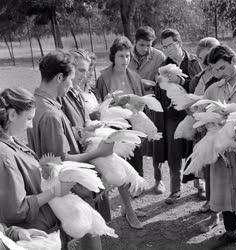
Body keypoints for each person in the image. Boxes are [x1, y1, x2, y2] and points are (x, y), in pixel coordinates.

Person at [31, 50, 116, 248]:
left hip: (53, 190)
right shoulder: (51, 114)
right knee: (89, 234)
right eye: (70, 78)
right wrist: (99, 152)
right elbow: (61, 160)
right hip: (70, 189)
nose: (71, 84)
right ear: (60, 77)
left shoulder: (38, 103)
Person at [0, 87, 74, 248]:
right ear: (12, 115)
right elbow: (16, 209)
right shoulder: (3, 154)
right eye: (28, 119)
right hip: (36, 236)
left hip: (42, 229)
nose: (30, 126)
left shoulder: (10, 140)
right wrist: (55, 191)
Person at [201, 45, 236, 249]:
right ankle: (230, 233)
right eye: (214, 70)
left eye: (222, 68)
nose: (218, 74)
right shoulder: (213, 89)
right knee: (224, 192)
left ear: (234, 61)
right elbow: (198, 113)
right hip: (221, 152)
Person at [95, 37, 146, 228]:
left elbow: (141, 102)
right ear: (113, 57)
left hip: (132, 127)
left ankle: (127, 207)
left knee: (134, 168)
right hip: (113, 129)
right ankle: (130, 212)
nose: (124, 59)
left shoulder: (134, 76)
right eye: (120, 56)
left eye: (127, 55)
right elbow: (99, 107)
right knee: (120, 170)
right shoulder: (103, 78)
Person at [153, 28, 202, 204]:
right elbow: (160, 91)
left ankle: (200, 184)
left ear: (179, 43)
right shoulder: (164, 66)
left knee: (195, 148)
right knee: (173, 150)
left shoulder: (194, 61)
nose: (167, 50)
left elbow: (200, 85)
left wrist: (181, 82)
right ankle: (175, 189)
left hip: (193, 113)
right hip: (172, 115)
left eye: (170, 45)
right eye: (164, 47)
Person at [128, 26, 166, 194]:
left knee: (155, 142)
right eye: (142, 44)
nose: (145, 49)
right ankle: (137, 182)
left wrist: (149, 83)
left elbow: (162, 80)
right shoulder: (126, 54)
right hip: (131, 105)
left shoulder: (159, 57)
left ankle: (159, 180)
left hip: (152, 103)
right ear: (135, 42)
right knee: (134, 144)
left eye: (149, 45)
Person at [187, 37, 220, 212]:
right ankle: (210, 201)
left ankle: (219, 206)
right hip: (200, 131)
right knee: (206, 169)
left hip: (217, 130)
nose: (206, 63)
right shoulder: (196, 79)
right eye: (201, 59)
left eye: (209, 58)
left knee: (217, 171)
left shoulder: (221, 79)